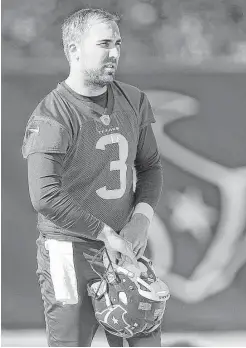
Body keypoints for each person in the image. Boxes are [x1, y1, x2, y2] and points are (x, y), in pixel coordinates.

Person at [21, 8, 164, 347]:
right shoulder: (52, 114)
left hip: (123, 249)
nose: (114, 53)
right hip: (67, 250)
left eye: (117, 43)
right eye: (103, 44)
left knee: (144, 340)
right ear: (73, 49)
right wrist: (105, 234)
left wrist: (140, 220)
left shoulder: (133, 99)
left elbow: (150, 167)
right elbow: (44, 196)